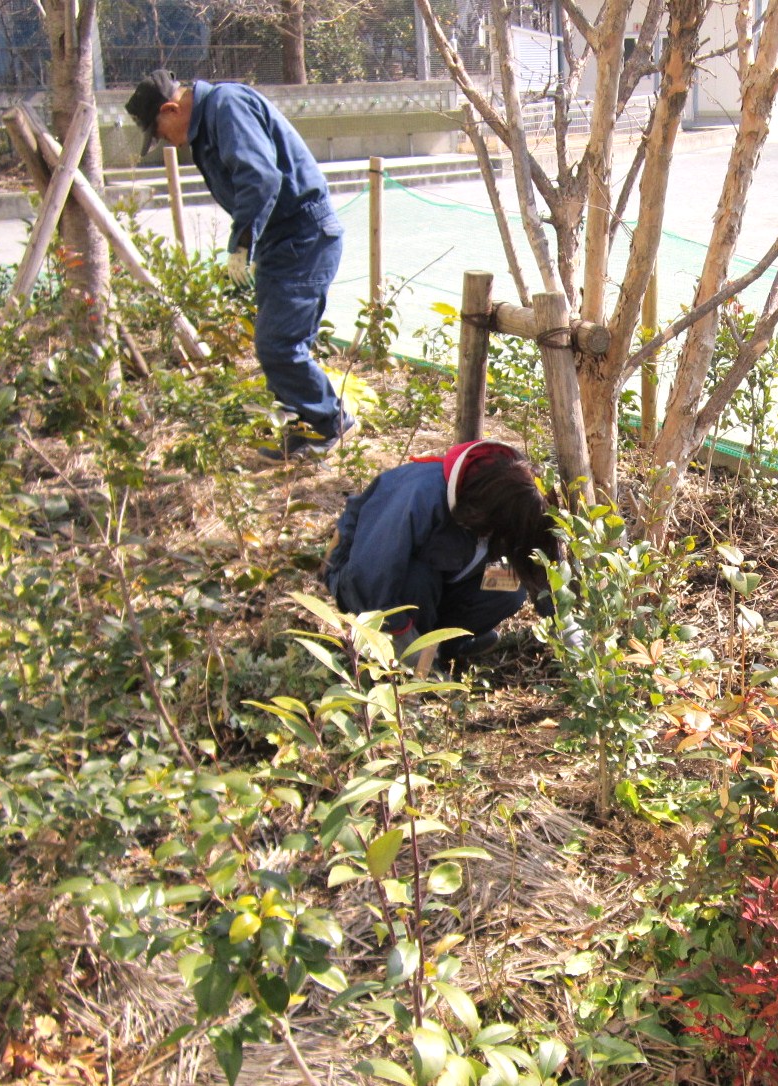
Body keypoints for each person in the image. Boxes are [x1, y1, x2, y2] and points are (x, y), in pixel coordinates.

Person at [125, 69, 352, 460]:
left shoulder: (227, 107)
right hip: (282, 239)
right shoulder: (211, 120)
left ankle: (331, 423)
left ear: (171, 108)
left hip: (303, 234)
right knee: (277, 341)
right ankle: (301, 426)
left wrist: (241, 244)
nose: (165, 140)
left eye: (159, 131)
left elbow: (260, 177)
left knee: (278, 344)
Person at [324, 439, 561, 670]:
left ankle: (447, 646)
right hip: (365, 581)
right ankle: (411, 657)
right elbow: (370, 578)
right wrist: (407, 645)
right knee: (417, 578)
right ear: (489, 516)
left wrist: (567, 629)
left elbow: (538, 568)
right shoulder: (420, 496)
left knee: (509, 585)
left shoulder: (515, 501)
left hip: (444, 578)